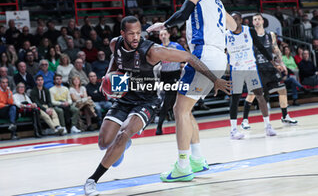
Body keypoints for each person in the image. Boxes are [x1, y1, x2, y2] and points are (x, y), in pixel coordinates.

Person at [84, 15, 231, 195]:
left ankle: (92, 180)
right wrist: (108, 77)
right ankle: (120, 147)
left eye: (138, 33)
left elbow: (189, 57)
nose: (136, 37)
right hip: (124, 97)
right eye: (131, 34)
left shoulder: (153, 51)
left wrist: (214, 79)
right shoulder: (115, 44)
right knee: (104, 143)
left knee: (123, 133)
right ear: (122, 34)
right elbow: (116, 59)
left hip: (147, 100)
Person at [146, 0, 236, 183]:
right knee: (185, 109)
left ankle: (183, 166)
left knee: (180, 110)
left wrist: (164, 25)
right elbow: (234, 27)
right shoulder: (218, 3)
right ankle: (196, 158)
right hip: (217, 56)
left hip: (203, 53)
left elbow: (184, 13)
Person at [225, 12, 276, 138]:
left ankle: (268, 126)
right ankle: (233, 130)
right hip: (236, 69)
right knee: (235, 99)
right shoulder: (225, 35)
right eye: (232, 19)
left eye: (236, 19)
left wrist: (272, 61)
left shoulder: (249, 31)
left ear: (241, 20)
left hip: (250, 68)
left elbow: (260, 47)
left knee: (259, 95)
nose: (234, 21)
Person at [242, 13, 298, 126]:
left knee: (282, 90)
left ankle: (285, 116)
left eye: (259, 19)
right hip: (257, 69)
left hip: (270, 68)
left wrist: (281, 63)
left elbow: (276, 50)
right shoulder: (249, 35)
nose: (257, 21)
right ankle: (244, 120)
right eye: (254, 19)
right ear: (253, 23)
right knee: (252, 94)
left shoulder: (270, 35)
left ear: (263, 21)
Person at [155, 29, 185, 136]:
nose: (163, 36)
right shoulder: (157, 48)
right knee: (169, 101)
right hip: (164, 75)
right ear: (159, 37)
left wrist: (183, 65)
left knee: (171, 101)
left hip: (175, 74)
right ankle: (161, 124)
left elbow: (186, 56)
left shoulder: (176, 46)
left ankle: (159, 127)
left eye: (165, 34)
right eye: (161, 34)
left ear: (169, 35)